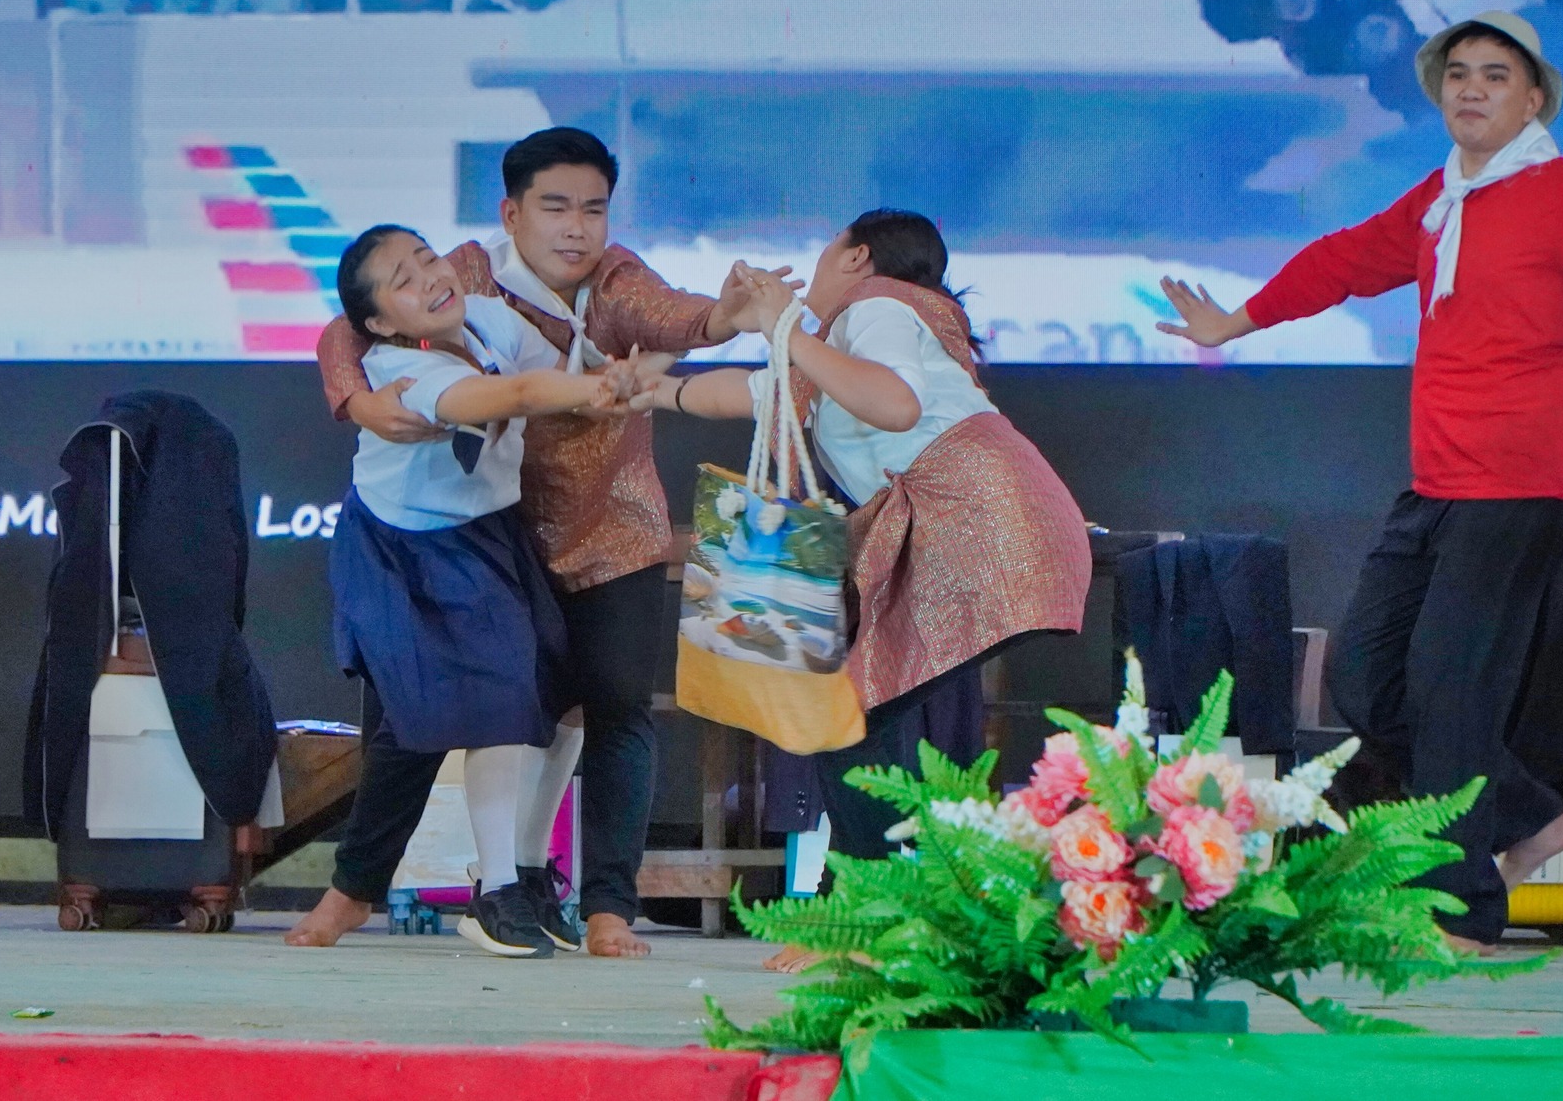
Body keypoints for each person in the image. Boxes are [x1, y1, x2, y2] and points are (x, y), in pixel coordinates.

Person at [1157, 10, 1563, 953]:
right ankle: (1536, 816)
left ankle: (1463, 910)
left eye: (1496, 75)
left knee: (1454, 695)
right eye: (1459, 73)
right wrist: (1237, 321)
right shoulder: (1444, 197)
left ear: (1534, 99)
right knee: (1368, 680)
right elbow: (1346, 259)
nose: (1471, 88)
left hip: (1518, 488)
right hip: (1437, 485)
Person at [292, 127, 758, 958]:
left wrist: (718, 321)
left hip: (604, 528)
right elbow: (351, 332)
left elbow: (670, 321)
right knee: (428, 718)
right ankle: (363, 890)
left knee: (600, 706)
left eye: (594, 209)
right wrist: (356, 402)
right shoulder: (459, 286)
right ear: (511, 213)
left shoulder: (601, 283)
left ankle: (591, 903)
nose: (577, 227)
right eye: (556, 207)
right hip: (466, 537)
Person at [637, 210, 1092, 969]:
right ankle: (881, 916)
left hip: (976, 524)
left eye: (825, 253)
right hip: (974, 525)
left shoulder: (877, 304)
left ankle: (862, 922)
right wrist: (651, 391)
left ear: (858, 257)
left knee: (850, 712)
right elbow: (752, 393)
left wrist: (787, 326)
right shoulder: (842, 346)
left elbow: (896, 404)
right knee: (854, 713)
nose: (816, 271)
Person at [324, 223, 635, 958]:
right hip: (408, 548)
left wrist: (627, 382)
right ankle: (493, 893)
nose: (431, 278)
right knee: (492, 700)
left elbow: (555, 381)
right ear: (378, 323)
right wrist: (598, 385)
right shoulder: (407, 375)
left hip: (489, 531)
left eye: (427, 258)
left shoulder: (490, 318)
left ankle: (526, 871)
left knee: (563, 692)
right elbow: (523, 391)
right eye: (403, 280)